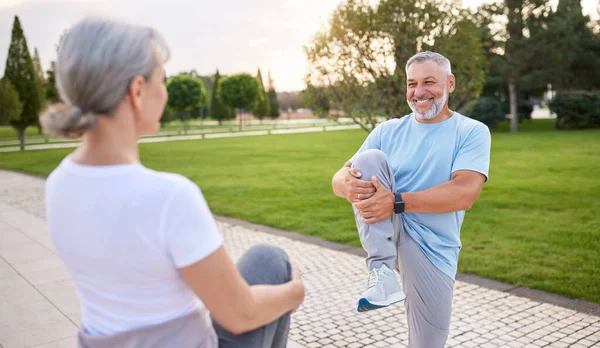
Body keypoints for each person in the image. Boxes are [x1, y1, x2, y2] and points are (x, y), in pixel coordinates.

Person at [40, 17, 305, 348]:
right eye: (161, 80)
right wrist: (294, 293)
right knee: (270, 259)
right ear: (137, 91)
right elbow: (241, 315)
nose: (164, 92)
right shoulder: (168, 197)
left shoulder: (58, 184)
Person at [331, 51, 491, 347]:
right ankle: (380, 271)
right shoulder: (388, 130)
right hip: (385, 229)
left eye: (429, 82)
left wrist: (396, 202)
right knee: (369, 159)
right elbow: (340, 177)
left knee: (427, 342)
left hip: (432, 247)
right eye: (412, 84)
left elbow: (465, 192)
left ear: (450, 83)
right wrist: (346, 186)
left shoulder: (471, 131)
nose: (419, 92)